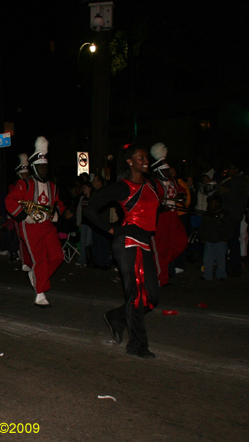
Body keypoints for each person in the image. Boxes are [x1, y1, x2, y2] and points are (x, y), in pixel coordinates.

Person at [85, 144, 160, 358]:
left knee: (152, 297)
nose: (145, 160)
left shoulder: (151, 184)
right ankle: (137, 345)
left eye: (146, 157)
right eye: (140, 157)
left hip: (145, 243)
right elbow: (91, 208)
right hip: (128, 243)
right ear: (129, 162)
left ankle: (116, 316)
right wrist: (111, 229)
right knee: (136, 296)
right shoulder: (124, 187)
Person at [6, 136, 65, 307]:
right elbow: (10, 201)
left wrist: (56, 213)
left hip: (47, 226)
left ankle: (37, 276)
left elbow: (59, 204)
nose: (44, 169)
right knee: (39, 259)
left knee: (57, 257)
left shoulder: (53, 186)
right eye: (40, 166)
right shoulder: (24, 184)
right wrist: (25, 217)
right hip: (30, 227)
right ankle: (40, 292)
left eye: (46, 166)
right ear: (34, 167)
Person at [149, 143, 188, 287]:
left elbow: (182, 190)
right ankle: (161, 279)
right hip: (160, 220)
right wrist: (160, 207)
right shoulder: (153, 183)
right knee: (160, 250)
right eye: (165, 171)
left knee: (181, 242)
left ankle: (161, 267)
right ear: (158, 171)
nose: (168, 173)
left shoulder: (172, 181)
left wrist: (182, 196)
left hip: (173, 217)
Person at [199, 194, 232, 281]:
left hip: (220, 240)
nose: (212, 205)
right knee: (207, 259)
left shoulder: (224, 215)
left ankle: (221, 275)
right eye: (211, 203)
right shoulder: (207, 214)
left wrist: (225, 237)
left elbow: (229, 227)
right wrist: (202, 237)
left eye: (213, 203)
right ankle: (207, 275)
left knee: (220, 260)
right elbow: (202, 227)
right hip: (209, 240)